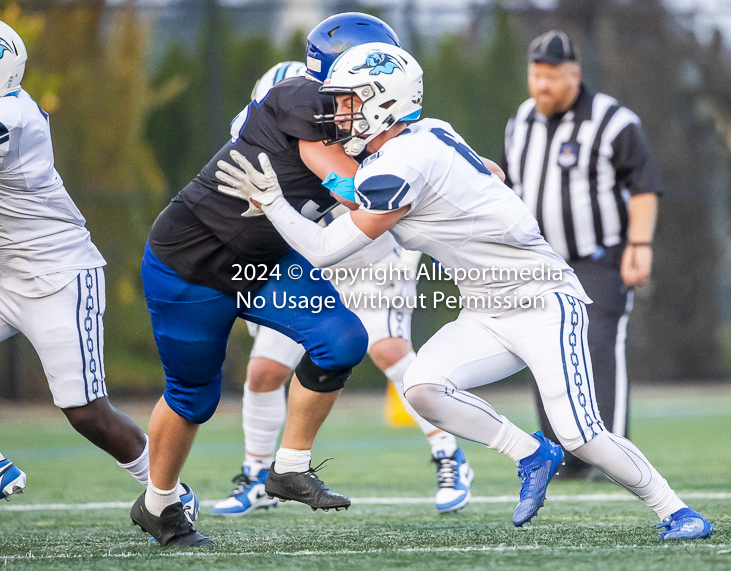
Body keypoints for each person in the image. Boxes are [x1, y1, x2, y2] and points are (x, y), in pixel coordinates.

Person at [217, 42, 713, 540]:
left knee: (580, 433)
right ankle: (530, 453)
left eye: (349, 101)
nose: (338, 113)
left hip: (542, 300)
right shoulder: (426, 133)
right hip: (485, 309)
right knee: (422, 389)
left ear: (383, 102)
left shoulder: (401, 164)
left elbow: (325, 248)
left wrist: (275, 202)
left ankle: (676, 510)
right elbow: (488, 171)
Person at [129, 13, 403, 547]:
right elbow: (350, 186)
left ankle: (289, 466)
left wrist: (464, 166)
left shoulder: (364, 116)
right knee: (193, 398)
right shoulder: (300, 98)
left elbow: (415, 153)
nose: (380, 95)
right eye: (374, 80)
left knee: (342, 340)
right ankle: (158, 504)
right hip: (191, 262)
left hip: (264, 264)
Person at [212, 61, 473, 519]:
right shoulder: (261, 127)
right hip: (307, 264)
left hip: (369, 258)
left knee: (389, 349)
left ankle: (448, 455)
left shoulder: (362, 126)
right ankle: (257, 476)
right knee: (263, 373)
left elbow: (371, 188)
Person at [0, 20, 198, 511]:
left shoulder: (11, 118)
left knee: (87, 413)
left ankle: (170, 495)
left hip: (57, 276)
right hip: (7, 273)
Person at [500, 30, 662, 479]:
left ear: (575, 75)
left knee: (596, 344)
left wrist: (640, 244)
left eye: (552, 76)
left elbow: (644, 185)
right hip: (539, 262)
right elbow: (507, 185)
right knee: (541, 346)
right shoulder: (522, 121)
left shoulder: (613, 120)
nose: (543, 86)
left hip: (598, 257)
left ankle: (613, 455)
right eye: (537, 76)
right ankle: (564, 454)